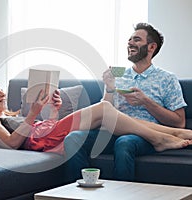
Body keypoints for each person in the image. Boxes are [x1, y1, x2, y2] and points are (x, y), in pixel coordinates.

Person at [64, 22, 188, 181]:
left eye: (136, 39)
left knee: (124, 142)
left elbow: (179, 123)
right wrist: (109, 88)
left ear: (151, 47)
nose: (130, 43)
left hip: (145, 135)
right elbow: (104, 111)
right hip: (112, 131)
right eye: (129, 40)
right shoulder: (119, 75)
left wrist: (146, 102)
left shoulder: (167, 79)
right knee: (73, 138)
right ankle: (80, 193)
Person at [0, 78, 192, 157]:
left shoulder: (14, 115)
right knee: (104, 108)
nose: (3, 94)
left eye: (1, 90)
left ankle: (178, 132)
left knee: (117, 116)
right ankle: (159, 140)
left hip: (47, 135)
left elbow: (42, 129)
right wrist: (34, 114)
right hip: (39, 143)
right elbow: (11, 144)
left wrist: (54, 111)